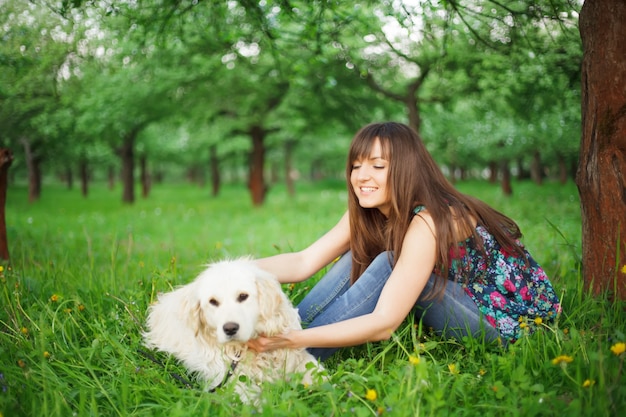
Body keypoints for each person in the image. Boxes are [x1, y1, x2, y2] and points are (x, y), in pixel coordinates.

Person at [249, 121, 561, 361]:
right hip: (463, 304)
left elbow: (384, 324)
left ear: (406, 170)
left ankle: (288, 356)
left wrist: (292, 339)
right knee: (358, 256)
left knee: (387, 261)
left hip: (510, 327)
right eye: (356, 166)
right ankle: (272, 345)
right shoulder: (366, 210)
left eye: (377, 166)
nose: (361, 176)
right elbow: (303, 261)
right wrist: (230, 273)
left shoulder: (434, 218)